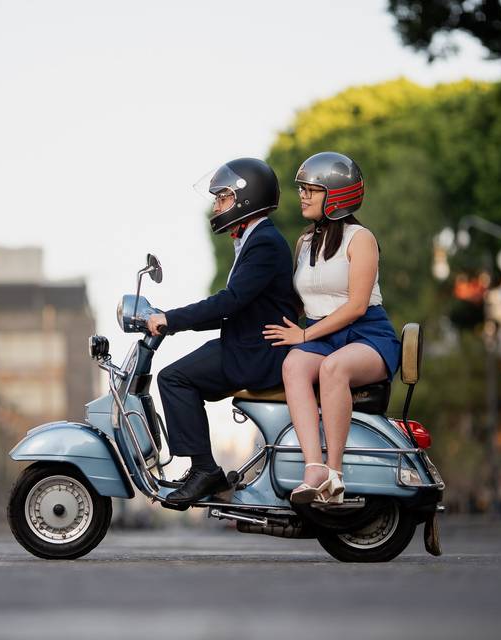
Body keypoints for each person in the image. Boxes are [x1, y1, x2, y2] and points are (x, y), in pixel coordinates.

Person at [146, 157, 298, 505]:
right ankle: (202, 469)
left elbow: (229, 301)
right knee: (178, 375)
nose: (216, 206)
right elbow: (235, 307)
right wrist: (174, 322)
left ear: (246, 198)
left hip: (259, 353)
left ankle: (205, 471)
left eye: (222, 198)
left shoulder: (263, 243)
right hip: (247, 343)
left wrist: (172, 319)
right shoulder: (253, 239)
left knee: (174, 378)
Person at [263, 152, 400, 504]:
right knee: (293, 365)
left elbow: (356, 306)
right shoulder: (304, 242)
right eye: (302, 189)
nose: (303, 196)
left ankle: (334, 474)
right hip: (322, 334)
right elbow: (299, 300)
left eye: (312, 189)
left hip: (367, 335)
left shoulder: (361, 238)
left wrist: (305, 335)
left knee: (333, 368)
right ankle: (314, 467)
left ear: (337, 195)